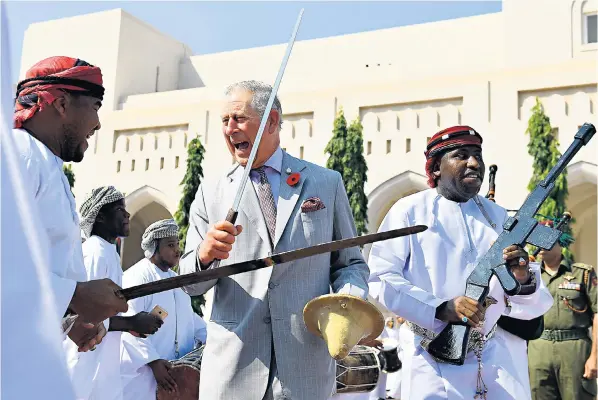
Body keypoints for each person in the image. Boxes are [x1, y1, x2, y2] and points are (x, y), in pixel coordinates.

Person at [179, 80, 370, 400]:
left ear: (271, 121)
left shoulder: (325, 183)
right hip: (233, 370)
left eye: (238, 118)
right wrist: (204, 255)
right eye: (224, 121)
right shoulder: (210, 192)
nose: (230, 129)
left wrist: (346, 305)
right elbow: (189, 282)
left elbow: (350, 264)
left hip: (305, 371)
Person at [368, 125, 554, 399]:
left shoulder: (497, 216)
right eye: (461, 155)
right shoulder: (409, 211)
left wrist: (522, 278)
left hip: (498, 360)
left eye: (477, 154)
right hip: (432, 357)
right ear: (435, 169)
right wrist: (440, 308)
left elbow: (532, 302)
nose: (475, 163)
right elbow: (381, 279)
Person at [12, 56, 128, 349]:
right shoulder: (20, 155)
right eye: (95, 107)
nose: (98, 123)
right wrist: (75, 296)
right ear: (62, 105)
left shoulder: (46, 165)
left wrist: (69, 320)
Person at [64, 186, 164, 399]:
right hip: (82, 362)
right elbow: (84, 315)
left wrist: (131, 326)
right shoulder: (94, 252)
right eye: (120, 209)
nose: (127, 214)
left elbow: (106, 313)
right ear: (100, 216)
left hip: (101, 363)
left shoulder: (108, 252)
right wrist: (131, 323)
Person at [121, 219, 207, 400]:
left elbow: (188, 317)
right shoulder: (137, 277)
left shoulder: (176, 280)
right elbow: (127, 324)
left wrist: (212, 337)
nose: (177, 250)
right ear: (153, 248)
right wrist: (153, 362)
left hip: (174, 378)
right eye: (170, 245)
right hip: (143, 376)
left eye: (178, 244)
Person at [528, 216, 597, 400]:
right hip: (538, 349)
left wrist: (594, 357)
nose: (541, 245)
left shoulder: (581, 273)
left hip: (574, 349)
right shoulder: (530, 276)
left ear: (560, 243)